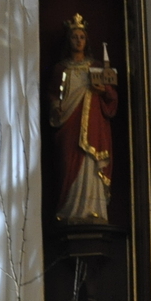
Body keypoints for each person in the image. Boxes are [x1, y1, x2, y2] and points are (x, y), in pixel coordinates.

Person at [48, 13, 118, 224]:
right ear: (68, 40)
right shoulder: (61, 69)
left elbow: (112, 97)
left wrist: (103, 90)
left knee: (90, 162)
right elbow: (54, 95)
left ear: (87, 41)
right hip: (69, 125)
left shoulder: (96, 67)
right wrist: (56, 107)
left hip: (94, 125)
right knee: (69, 162)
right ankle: (69, 210)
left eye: (82, 37)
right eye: (74, 37)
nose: (78, 41)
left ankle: (94, 209)